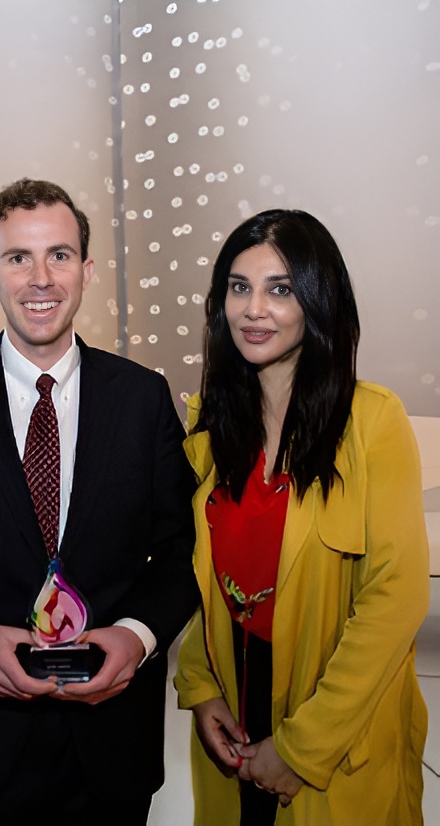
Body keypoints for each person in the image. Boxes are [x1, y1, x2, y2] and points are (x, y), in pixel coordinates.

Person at [0, 178, 199, 826]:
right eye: (17, 258)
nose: (40, 278)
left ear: (86, 271)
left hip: (110, 740)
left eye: (58, 255)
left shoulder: (142, 399)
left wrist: (137, 638)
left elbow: (180, 548)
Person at [174, 209, 430, 825]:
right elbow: (204, 582)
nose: (253, 308)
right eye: (239, 287)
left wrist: (302, 747)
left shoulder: (372, 421)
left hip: (335, 718)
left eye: (280, 289)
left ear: (318, 301)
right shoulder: (210, 423)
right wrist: (200, 685)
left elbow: (395, 597)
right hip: (235, 705)